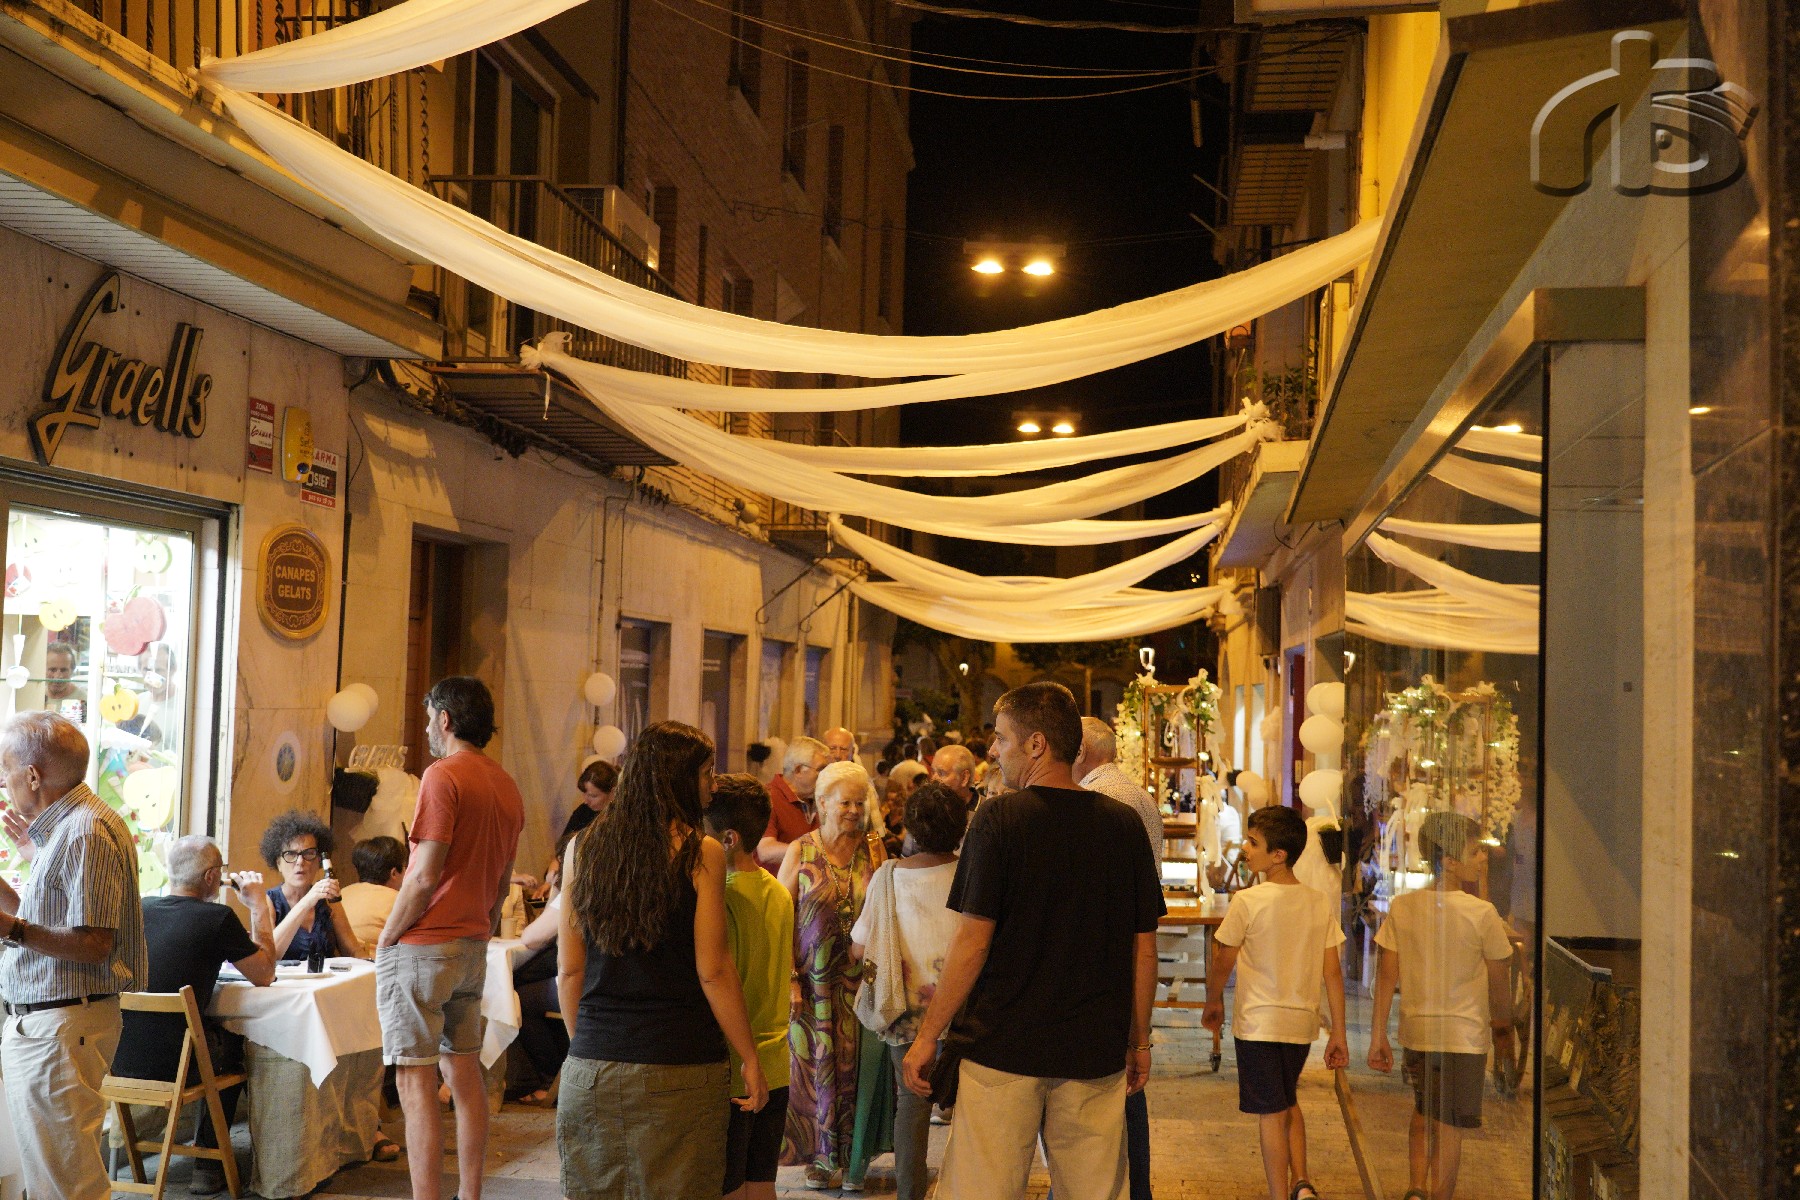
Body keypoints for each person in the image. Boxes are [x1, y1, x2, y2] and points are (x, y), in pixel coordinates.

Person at [901, 683, 1164, 1200]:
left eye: (1001, 739)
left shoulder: (999, 819)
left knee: (981, 1189)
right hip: (1093, 1049)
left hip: (1003, 1047)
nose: (993, 750)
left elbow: (972, 942)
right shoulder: (1123, 824)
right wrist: (1138, 1041)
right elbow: (1144, 948)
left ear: (1037, 743)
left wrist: (928, 1034)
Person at [556, 721, 767, 1200]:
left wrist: (585, 1046)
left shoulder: (581, 848)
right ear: (679, 779)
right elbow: (713, 971)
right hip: (679, 1067)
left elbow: (569, 970)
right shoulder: (701, 852)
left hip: (591, 1067)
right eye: (707, 772)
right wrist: (750, 1058)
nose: (714, 785)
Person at [376, 676, 524, 1200]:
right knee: (464, 1071)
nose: (426, 730)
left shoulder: (442, 775)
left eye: (428, 719)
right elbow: (502, 884)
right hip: (472, 943)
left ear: (445, 718)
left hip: (425, 945)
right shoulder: (506, 784)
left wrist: (387, 939)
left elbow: (422, 875)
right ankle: (470, 1194)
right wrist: (478, 926)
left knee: (414, 1079)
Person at [0, 711, 146, 1200]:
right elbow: (40, 921)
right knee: (50, 1178)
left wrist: (12, 929)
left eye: (5, 769)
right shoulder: (68, 828)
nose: (2, 781)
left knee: (67, 1184)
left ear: (33, 775)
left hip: (61, 1024)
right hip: (53, 1023)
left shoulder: (83, 830)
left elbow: (93, 944)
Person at [111, 835, 276, 1195]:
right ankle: (208, 1165)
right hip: (178, 1066)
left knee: (203, 1035)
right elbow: (264, 974)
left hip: (117, 1057)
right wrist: (259, 908)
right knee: (233, 1041)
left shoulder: (138, 908)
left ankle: (184, 1162)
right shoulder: (218, 918)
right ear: (212, 877)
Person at [1202, 805, 1349, 1200]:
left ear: (1278, 855)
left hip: (1258, 1024)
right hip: (1301, 1024)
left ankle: (1279, 1194)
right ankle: (1301, 1183)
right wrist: (1338, 1033)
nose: (1245, 849)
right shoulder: (1317, 901)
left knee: (1271, 1113)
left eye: (1253, 843)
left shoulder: (1248, 901)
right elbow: (1332, 973)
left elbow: (1224, 959)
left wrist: (1213, 1000)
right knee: (1286, 1100)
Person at [1368, 812, 1515, 1200]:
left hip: (1418, 1029)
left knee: (1424, 1110)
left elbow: (1386, 975)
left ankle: (1417, 1188)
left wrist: (1378, 1034)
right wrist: (1503, 1027)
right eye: (1475, 850)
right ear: (1449, 860)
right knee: (1450, 1125)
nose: (1483, 857)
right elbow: (1499, 978)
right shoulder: (1482, 913)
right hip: (1464, 1035)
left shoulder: (1404, 907)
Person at [850, 781, 967, 1200]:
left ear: (911, 826)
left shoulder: (888, 877)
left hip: (906, 1012)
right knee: (971, 1106)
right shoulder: (972, 872)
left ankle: (911, 1193)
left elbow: (860, 946)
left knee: (911, 1103)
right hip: (965, 1010)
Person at [1066, 715, 1164, 1200]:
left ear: (1080, 751)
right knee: (1125, 1087)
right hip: (1125, 950)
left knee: (1112, 1087)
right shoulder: (1135, 794)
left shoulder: (1100, 801)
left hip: (1109, 956)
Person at [779, 760, 887, 1190]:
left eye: (860, 803)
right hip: (812, 984)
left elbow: (887, 909)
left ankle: (853, 1159)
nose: (854, 811)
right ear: (822, 803)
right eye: (845, 803)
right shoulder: (801, 850)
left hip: (859, 984)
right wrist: (789, 978)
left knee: (855, 1070)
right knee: (815, 1069)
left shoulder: (874, 848)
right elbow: (780, 916)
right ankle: (821, 1159)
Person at [703, 774, 795, 1200]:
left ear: (728, 838)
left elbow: (721, 979)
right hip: (776, 1061)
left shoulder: (720, 898)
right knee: (761, 1184)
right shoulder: (778, 892)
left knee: (730, 1188)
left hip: (738, 1064)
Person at [506, 831, 577, 1105]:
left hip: (578, 984)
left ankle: (548, 1078)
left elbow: (531, 937)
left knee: (518, 999)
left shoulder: (572, 890)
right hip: (606, 980)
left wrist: (557, 888)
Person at [261, 810, 369, 962]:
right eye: (291, 854)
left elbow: (352, 950)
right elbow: (268, 956)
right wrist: (306, 902)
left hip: (326, 976)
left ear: (319, 861)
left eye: (309, 853)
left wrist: (373, 966)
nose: (300, 862)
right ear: (278, 863)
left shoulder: (327, 899)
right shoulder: (268, 901)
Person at [756, 736, 828, 871]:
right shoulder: (766, 797)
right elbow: (766, 851)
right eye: (821, 770)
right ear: (798, 770)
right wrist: (815, 853)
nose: (826, 776)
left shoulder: (818, 799)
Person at [341, 836, 407, 949]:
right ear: (394, 873)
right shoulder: (399, 901)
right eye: (405, 867)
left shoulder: (342, 893)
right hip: (372, 959)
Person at [561, 758, 618, 842]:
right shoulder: (581, 813)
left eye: (593, 796)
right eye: (585, 794)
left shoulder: (625, 815)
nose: (586, 801)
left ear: (612, 792)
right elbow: (563, 845)